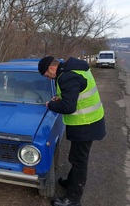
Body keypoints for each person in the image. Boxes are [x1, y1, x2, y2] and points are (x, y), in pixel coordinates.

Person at [38, 56, 106, 206]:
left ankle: (73, 199)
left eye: (47, 75)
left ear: (51, 68)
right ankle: (71, 182)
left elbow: (69, 107)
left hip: (86, 124)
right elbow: (73, 94)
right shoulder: (72, 68)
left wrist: (50, 105)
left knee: (79, 162)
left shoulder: (67, 77)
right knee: (75, 158)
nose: (49, 79)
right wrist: (60, 98)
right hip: (89, 121)